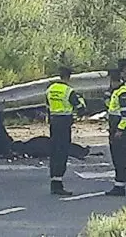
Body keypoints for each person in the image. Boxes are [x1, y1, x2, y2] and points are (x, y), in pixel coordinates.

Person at [45, 67, 86, 196]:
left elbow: (47, 106)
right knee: (62, 152)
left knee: (54, 151)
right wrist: (81, 104)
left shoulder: (50, 90)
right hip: (64, 124)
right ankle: (59, 183)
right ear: (68, 77)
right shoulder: (69, 91)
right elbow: (80, 108)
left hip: (53, 123)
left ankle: (53, 182)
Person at [105, 69, 126, 196]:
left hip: (119, 130)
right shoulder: (116, 91)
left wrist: (120, 130)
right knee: (116, 158)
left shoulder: (123, 92)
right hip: (114, 128)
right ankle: (118, 185)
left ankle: (120, 186)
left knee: (119, 158)